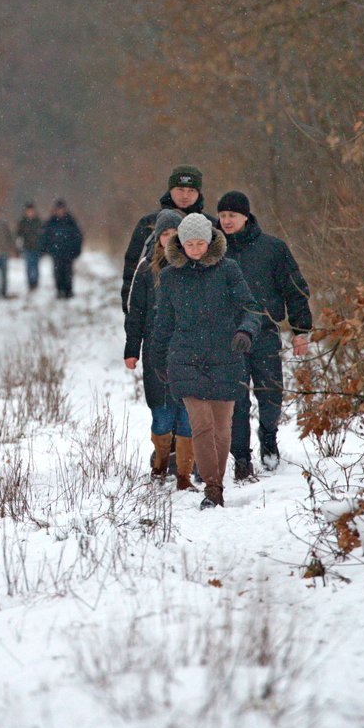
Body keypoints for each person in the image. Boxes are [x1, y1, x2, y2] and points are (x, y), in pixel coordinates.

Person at [150, 213, 262, 509]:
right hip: (185, 358)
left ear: (210, 241)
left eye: (201, 243)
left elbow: (251, 308)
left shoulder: (228, 271)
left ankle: (217, 481)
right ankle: (212, 488)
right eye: (190, 243)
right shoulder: (171, 277)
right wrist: (158, 360)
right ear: (181, 244)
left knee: (221, 426)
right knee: (200, 424)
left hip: (225, 356)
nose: (196, 249)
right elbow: (163, 322)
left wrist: (245, 331)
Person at [216, 191, 313, 478]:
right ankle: (242, 458)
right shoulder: (215, 251)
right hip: (229, 338)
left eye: (232, 215)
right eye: (222, 215)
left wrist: (301, 330)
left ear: (246, 216)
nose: (226, 220)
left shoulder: (272, 248)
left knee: (270, 395)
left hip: (266, 332)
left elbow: (294, 290)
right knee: (237, 400)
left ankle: (268, 437)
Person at [124, 209, 195, 491]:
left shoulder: (193, 267)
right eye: (164, 234)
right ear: (157, 238)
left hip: (189, 351)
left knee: (187, 413)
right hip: (156, 351)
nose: (169, 238)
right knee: (162, 414)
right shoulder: (145, 269)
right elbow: (135, 314)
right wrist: (132, 349)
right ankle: (160, 465)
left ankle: (184, 474)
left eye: (174, 233)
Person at [120, 165, 215, 313]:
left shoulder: (211, 225)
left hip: (201, 312)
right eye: (180, 190)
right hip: (154, 309)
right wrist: (129, 299)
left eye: (191, 190)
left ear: (199, 193)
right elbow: (133, 262)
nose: (185, 195)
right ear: (170, 190)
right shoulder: (149, 223)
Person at [41, 199, 83, 299]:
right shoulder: (51, 222)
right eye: (58, 209)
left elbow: (78, 236)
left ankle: (68, 291)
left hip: (69, 252)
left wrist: (77, 249)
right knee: (57, 273)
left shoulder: (71, 221)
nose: (60, 211)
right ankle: (59, 290)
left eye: (61, 209)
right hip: (56, 253)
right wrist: (46, 249)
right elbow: (45, 236)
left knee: (68, 273)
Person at [16, 202, 44, 293]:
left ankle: (35, 282)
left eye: (31, 211)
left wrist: (43, 247)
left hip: (37, 247)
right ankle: (30, 284)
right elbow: (18, 235)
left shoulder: (38, 221)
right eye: (28, 211)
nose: (30, 212)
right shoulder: (22, 222)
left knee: (35, 266)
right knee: (29, 266)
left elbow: (43, 235)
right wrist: (18, 247)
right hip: (27, 248)